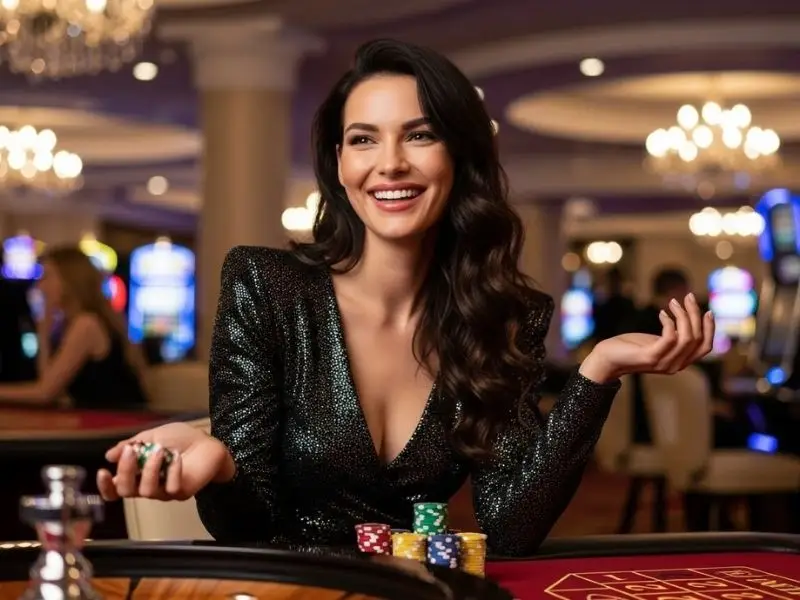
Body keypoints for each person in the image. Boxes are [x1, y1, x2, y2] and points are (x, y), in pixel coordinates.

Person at [97, 39, 713, 556]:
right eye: (364, 140)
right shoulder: (268, 286)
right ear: (339, 164)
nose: (389, 164)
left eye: (419, 135)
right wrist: (220, 463)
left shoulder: (504, 318)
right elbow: (247, 526)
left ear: (459, 157)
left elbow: (510, 529)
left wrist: (596, 373)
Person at [0, 246, 149, 409]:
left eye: (46, 277)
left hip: (118, 424)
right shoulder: (74, 322)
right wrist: (44, 332)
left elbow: (44, 393)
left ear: (68, 281)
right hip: (100, 422)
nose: (40, 286)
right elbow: (49, 383)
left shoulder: (87, 323)